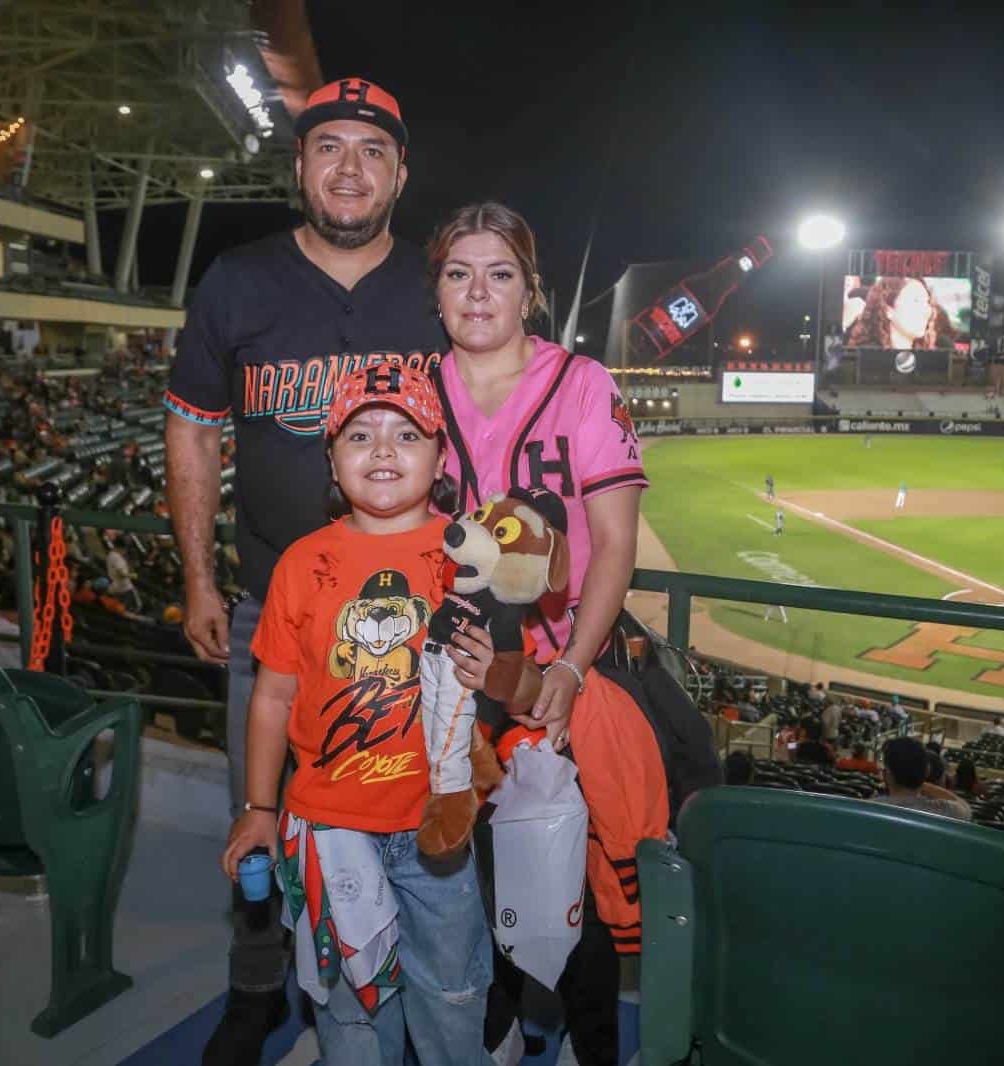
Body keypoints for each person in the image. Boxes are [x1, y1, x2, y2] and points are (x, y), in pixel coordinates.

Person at [163, 78, 450, 1063]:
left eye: (372, 150)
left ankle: (440, 983)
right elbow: (193, 434)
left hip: (425, 610)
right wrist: (198, 577)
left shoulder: (436, 284)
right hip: (271, 599)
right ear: (298, 166)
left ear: (401, 174)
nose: (349, 167)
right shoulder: (236, 279)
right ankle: (258, 987)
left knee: (436, 798)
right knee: (261, 801)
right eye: (329, 146)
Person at [422, 201, 666, 1065]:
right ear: (438, 291)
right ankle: (499, 1023)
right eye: (459, 273)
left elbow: (616, 546)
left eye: (499, 273)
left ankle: (592, 1044)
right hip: (455, 672)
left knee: (580, 884)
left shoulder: (583, 382)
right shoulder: (416, 388)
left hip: (565, 674)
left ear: (530, 291)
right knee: (478, 873)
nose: (478, 292)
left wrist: (568, 664)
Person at [219, 365, 489, 1064]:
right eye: (359, 434)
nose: (383, 450)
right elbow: (272, 695)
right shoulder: (302, 563)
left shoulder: (472, 554)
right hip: (329, 826)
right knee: (350, 1008)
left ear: (439, 457)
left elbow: (502, 686)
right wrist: (257, 806)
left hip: (437, 829)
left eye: (406, 433)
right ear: (333, 462)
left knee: (453, 995)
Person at [843, 275, 960, 351]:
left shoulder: (936, 353)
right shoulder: (866, 355)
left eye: (926, 302)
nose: (926, 311)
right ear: (888, 310)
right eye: (916, 300)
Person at [875, 737, 971, 821]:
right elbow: (965, 808)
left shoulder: (867, 808)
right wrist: (923, 784)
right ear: (927, 771)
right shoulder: (946, 812)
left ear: (887, 774)